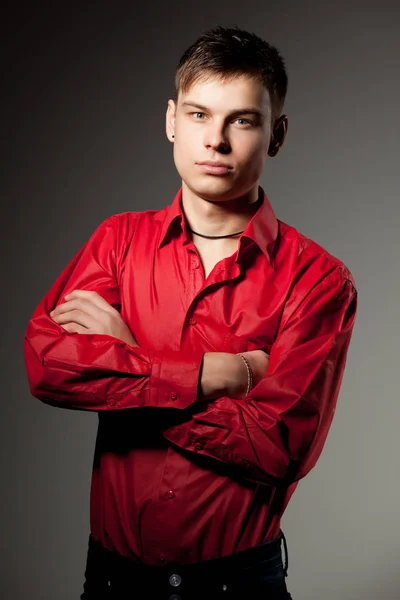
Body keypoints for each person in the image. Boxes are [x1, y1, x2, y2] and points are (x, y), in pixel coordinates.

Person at [24, 25, 358, 600]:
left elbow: (279, 447)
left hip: (239, 587)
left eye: (242, 120)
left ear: (276, 134)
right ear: (172, 121)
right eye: (200, 115)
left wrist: (129, 360)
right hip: (112, 583)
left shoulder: (319, 278)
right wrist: (214, 374)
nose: (216, 141)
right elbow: (49, 367)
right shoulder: (117, 242)